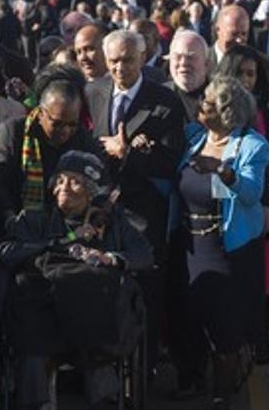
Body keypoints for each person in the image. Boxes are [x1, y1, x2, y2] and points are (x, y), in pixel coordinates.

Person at [0, 151, 153, 410]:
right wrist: (56, 243)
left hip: (92, 317)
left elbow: (144, 254)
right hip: (43, 313)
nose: (64, 187)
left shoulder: (114, 222)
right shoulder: (36, 218)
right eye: (60, 180)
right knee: (28, 311)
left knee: (98, 301)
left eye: (75, 181)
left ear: (92, 191)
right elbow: (7, 252)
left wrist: (110, 258)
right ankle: (37, 402)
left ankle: (104, 399)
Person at [85, 29, 185, 366]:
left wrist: (127, 152)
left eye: (127, 60)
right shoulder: (93, 91)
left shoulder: (165, 101)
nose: (119, 68)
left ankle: (147, 358)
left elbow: (171, 162)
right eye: (112, 61)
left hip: (144, 210)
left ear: (142, 58)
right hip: (98, 207)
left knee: (147, 282)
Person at [169, 76, 269, 408]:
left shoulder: (252, 146)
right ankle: (193, 377)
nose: (201, 107)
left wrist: (224, 172)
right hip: (188, 244)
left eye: (208, 103)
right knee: (187, 317)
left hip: (227, 249)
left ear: (227, 111)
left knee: (224, 325)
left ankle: (222, 393)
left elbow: (252, 194)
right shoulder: (193, 137)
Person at [217, 44, 269, 363]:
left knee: (267, 277)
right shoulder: (214, 115)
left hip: (262, 208)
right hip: (222, 209)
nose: (246, 81)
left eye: (252, 74)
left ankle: (259, 338)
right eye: (240, 74)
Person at [0, 65, 100, 214]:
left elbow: (101, 182)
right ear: (40, 113)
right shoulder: (13, 132)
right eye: (57, 124)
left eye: (72, 124)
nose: (65, 131)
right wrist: (10, 217)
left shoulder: (83, 139)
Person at [167, 29, 212, 119]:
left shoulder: (219, 97)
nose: (183, 63)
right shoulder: (158, 96)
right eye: (178, 57)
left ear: (207, 64)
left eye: (191, 57)